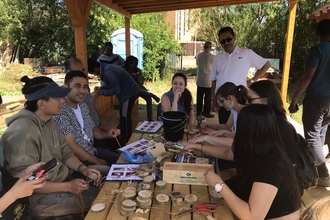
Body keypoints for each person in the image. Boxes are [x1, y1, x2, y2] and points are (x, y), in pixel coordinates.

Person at [0, 76, 101, 218]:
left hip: (62, 179)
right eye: (57, 98)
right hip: (37, 198)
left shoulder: (50, 121)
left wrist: (83, 169)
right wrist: (68, 187)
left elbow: (65, 152)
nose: (63, 101)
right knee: (101, 197)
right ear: (42, 104)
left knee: (107, 175)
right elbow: (25, 183)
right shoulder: (24, 131)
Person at [184, 105, 301, 219]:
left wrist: (219, 185)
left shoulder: (271, 166)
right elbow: (228, 153)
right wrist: (198, 147)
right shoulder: (261, 147)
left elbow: (252, 217)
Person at [289, 19, 330, 187]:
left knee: (312, 137)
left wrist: (295, 99)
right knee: (320, 134)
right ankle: (315, 168)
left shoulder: (318, 50)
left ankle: (323, 174)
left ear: (318, 34)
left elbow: (307, 76)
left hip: (316, 98)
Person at [53, 71, 120, 172]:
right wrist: (97, 161)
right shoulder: (60, 111)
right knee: (114, 171)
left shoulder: (82, 106)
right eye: (77, 86)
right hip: (79, 161)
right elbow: (71, 146)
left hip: (93, 151)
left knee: (125, 161)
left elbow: (92, 129)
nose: (82, 91)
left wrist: (107, 134)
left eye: (85, 87)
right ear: (66, 87)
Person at [249, 80, 303, 195]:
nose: (247, 103)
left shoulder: (277, 126)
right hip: (272, 178)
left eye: (250, 99)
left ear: (265, 101)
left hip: (282, 186)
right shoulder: (271, 121)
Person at [210, 26, 270, 124]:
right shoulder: (217, 58)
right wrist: (213, 100)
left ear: (234, 37)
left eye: (229, 39)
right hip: (223, 102)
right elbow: (213, 80)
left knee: (242, 130)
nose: (226, 43)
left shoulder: (246, 53)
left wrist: (253, 80)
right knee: (224, 128)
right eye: (223, 41)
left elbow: (266, 65)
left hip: (241, 101)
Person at [88, 58, 141, 143]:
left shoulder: (108, 71)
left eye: (93, 72)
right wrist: (102, 88)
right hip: (126, 94)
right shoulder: (106, 68)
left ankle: (127, 141)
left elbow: (116, 90)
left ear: (95, 69)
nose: (94, 74)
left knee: (125, 117)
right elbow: (111, 85)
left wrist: (102, 92)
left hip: (129, 93)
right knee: (123, 116)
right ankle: (124, 137)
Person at [190, 82, 247, 147]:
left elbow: (241, 141)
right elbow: (227, 126)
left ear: (230, 98)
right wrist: (209, 125)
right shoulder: (234, 110)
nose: (222, 105)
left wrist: (208, 138)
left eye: (222, 101)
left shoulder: (247, 114)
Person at [64, 57, 100, 128]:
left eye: (82, 70)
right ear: (68, 73)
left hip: (95, 127)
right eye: (77, 71)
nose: (81, 73)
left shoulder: (85, 86)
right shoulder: (64, 98)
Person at [123, 55, 160, 121]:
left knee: (148, 98)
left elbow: (141, 83)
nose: (132, 65)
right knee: (142, 93)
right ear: (127, 63)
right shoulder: (124, 70)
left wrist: (136, 78)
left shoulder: (138, 71)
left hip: (139, 88)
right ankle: (152, 95)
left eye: (134, 64)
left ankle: (150, 119)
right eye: (131, 63)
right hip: (129, 91)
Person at [196, 41, 214, 118]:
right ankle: (206, 112)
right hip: (207, 80)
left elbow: (197, 64)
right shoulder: (212, 57)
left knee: (199, 97)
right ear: (210, 48)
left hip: (200, 79)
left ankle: (198, 111)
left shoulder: (199, 55)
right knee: (207, 97)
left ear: (204, 47)